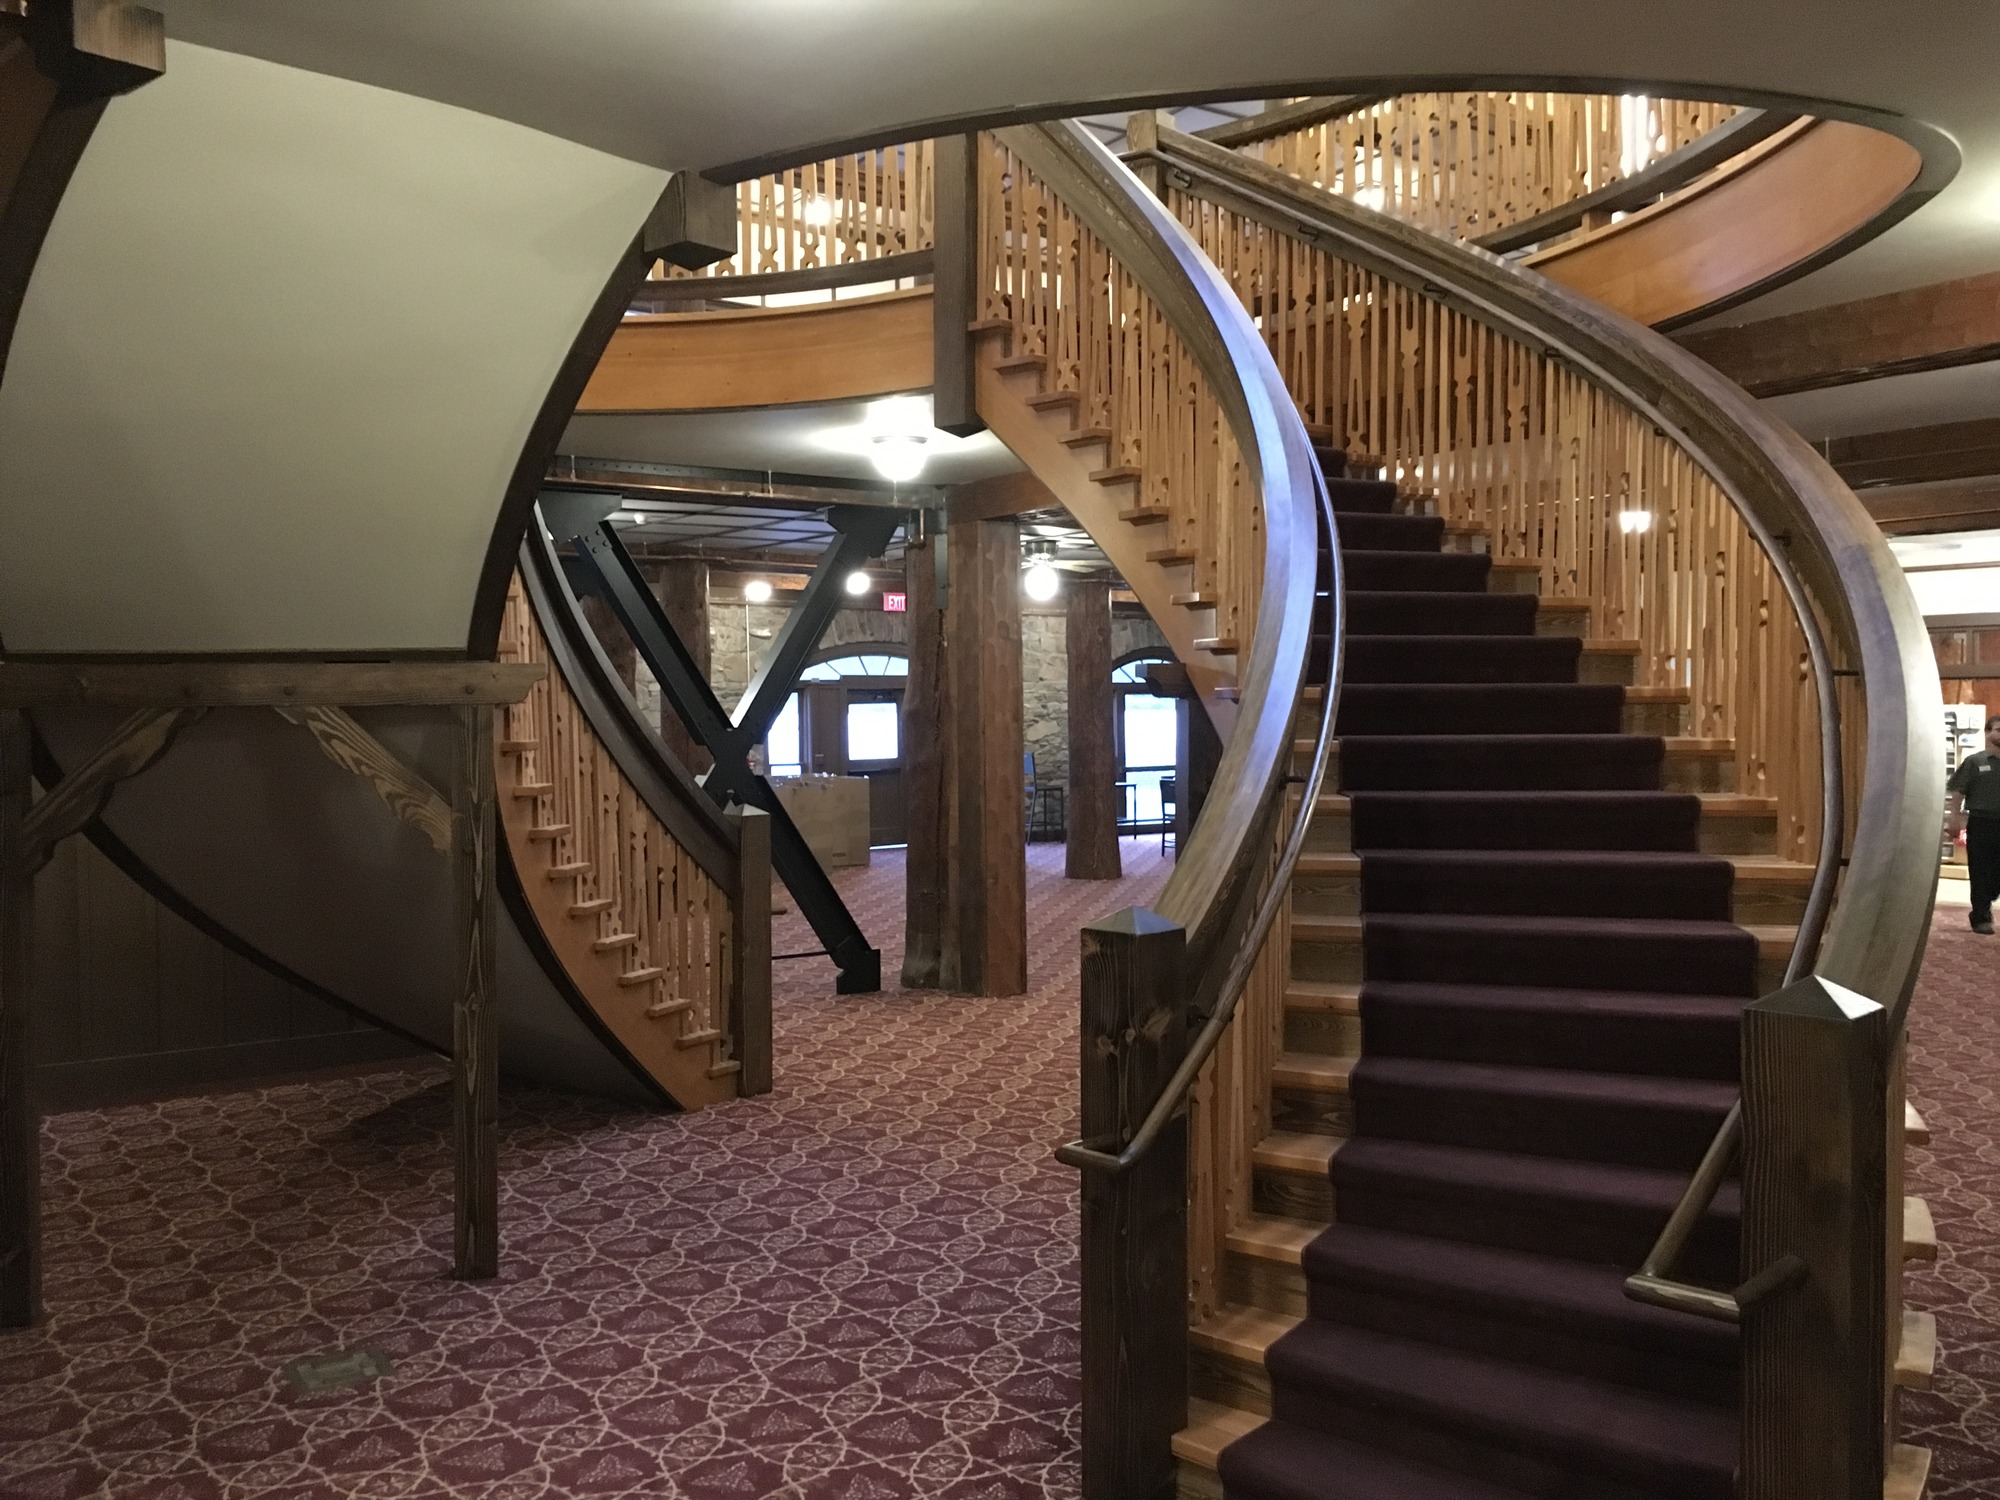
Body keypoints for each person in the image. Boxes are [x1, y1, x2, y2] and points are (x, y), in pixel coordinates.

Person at [1947, 714, 2000, 935]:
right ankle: (1980, 916)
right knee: (1979, 871)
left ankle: (1989, 895)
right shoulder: (1975, 762)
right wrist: (1954, 817)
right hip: (1980, 823)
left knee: (1995, 875)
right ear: (1988, 732)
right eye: (1998, 729)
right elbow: (1958, 791)